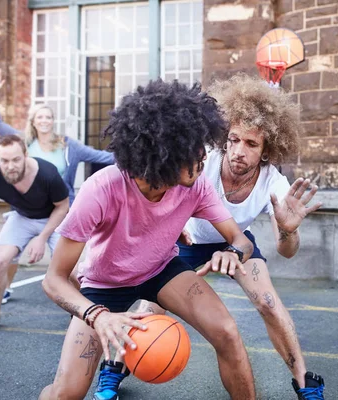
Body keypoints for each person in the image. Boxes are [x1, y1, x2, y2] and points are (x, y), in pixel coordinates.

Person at [92, 74, 325, 400]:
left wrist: (288, 228)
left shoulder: (274, 183)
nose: (239, 151)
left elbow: (287, 251)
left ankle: (304, 381)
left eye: (251, 144)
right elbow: (162, 196)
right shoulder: (202, 161)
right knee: (149, 308)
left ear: (267, 150)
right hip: (186, 240)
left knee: (269, 302)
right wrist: (170, 226)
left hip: (234, 242)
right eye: (234, 139)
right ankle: (113, 368)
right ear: (224, 139)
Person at [39, 79, 257, 400]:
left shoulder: (195, 186)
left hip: (161, 270)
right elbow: (53, 279)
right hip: (104, 287)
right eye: (191, 148)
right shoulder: (102, 189)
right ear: (160, 152)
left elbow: (241, 239)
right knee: (66, 393)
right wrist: (97, 315)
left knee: (226, 332)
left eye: (201, 144)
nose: (203, 156)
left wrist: (234, 252)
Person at [0, 68, 114, 303]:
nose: (45, 120)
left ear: (53, 121)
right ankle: (5, 287)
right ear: (33, 122)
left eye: (48, 117)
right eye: (40, 117)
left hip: (60, 210)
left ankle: (85, 303)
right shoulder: (23, 142)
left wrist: (136, 153)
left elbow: (102, 157)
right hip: (27, 210)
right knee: (9, 256)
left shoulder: (68, 146)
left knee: (70, 263)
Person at [0, 134, 69, 335]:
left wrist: (42, 237)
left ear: (26, 155)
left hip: (53, 218)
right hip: (22, 218)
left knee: (73, 269)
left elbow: (63, 207)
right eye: (5, 160)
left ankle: (78, 314)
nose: (11, 166)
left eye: (16, 159)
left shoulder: (47, 173)